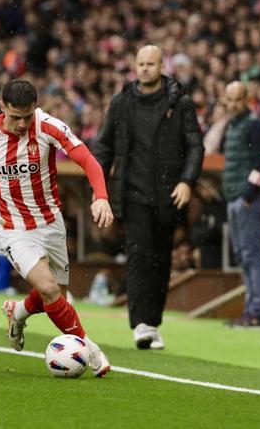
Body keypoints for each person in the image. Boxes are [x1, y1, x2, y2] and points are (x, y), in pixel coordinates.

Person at [0, 79, 114, 377]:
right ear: (2, 107)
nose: (22, 124)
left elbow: (88, 159)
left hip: (50, 223)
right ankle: (89, 349)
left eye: (28, 116)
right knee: (48, 289)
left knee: (55, 294)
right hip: (12, 227)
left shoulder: (49, 127)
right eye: (15, 117)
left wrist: (101, 196)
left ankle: (18, 312)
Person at [94, 45, 204, 350]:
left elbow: (195, 145)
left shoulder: (179, 103)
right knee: (139, 256)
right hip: (132, 194)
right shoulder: (121, 103)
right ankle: (141, 323)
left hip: (168, 195)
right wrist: (98, 187)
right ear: (135, 66)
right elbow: (103, 146)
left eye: (150, 64)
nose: (144, 69)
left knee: (161, 259)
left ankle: (152, 323)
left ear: (161, 66)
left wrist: (187, 182)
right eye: (140, 63)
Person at [220, 81, 260, 329]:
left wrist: (247, 197)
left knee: (252, 255)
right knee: (243, 255)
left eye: (237, 99)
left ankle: (257, 311)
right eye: (229, 100)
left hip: (246, 201)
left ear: (247, 100)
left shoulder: (253, 126)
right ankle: (252, 309)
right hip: (235, 199)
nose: (232, 104)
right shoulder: (232, 126)